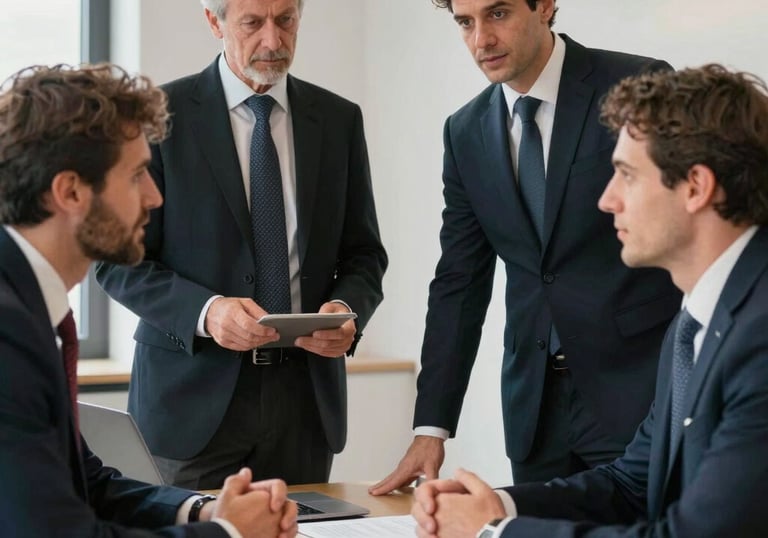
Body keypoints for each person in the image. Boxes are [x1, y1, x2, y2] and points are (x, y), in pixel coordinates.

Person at [411, 63, 768, 538]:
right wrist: (498, 504)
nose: (607, 200)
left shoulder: (759, 338)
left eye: (626, 175)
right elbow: (630, 484)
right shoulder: (695, 323)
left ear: (696, 187)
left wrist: (494, 533)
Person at [371, 0, 680, 494]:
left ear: (546, 6)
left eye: (497, 14)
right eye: (465, 23)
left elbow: (688, 224)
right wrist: (431, 428)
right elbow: (460, 282)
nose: (481, 41)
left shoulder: (638, 86)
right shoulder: (465, 131)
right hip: (535, 413)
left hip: (638, 394)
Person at [96, 0, 388, 490]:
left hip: (305, 404)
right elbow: (117, 262)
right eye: (253, 23)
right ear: (215, 22)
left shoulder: (338, 120)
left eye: (286, 21)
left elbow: (364, 253)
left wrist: (345, 310)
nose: (273, 41)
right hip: (189, 404)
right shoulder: (155, 122)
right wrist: (208, 312)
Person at [0, 63, 297, 537]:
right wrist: (230, 535)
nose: (155, 196)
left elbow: (88, 485)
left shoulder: (24, 308)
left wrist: (206, 511)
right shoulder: (9, 334)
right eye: (137, 174)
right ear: (71, 191)